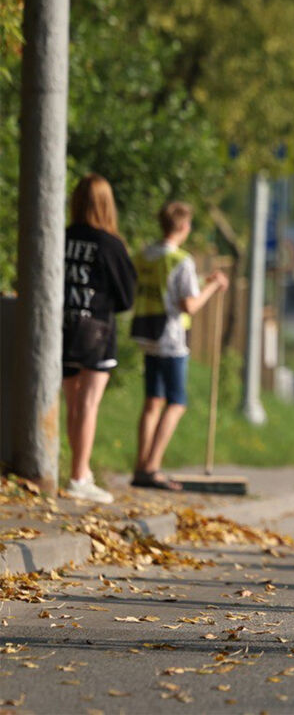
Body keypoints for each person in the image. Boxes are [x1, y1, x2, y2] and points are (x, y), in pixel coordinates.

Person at [130, 202, 228, 490]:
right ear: (184, 227)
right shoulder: (181, 260)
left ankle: (140, 466)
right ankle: (152, 467)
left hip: (147, 333)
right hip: (170, 337)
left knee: (153, 401)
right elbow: (189, 306)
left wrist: (200, 281)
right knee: (177, 403)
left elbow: (165, 287)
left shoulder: (145, 255)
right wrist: (213, 286)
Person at [61, 174, 137, 504]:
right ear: (107, 204)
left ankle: (80, 470)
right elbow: (126, 296)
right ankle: (79, 476)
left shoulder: (61, 236)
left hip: (61, 327)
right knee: (89, 403)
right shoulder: (110, 244)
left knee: (73, 403)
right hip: (97, 331)